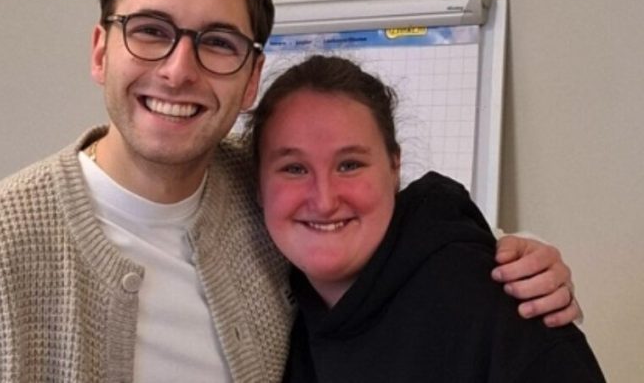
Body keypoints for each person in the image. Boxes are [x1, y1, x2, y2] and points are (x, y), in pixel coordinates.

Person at [0, 0, 580, 383]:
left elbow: (406, 230)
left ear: (250, 78)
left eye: (217, 42)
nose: (178, 70)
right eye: (150, 30)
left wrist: (517, 254)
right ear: (101, 50)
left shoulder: (270, 196)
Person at [248, 54, 605, 382]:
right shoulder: (276, 324)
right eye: (294, 169)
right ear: (258, 185)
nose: (324, 201)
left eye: (350, 165)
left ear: (394, 167)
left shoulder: (497, 305)